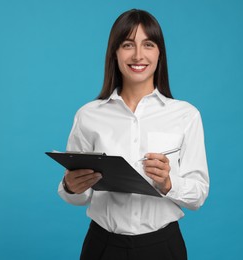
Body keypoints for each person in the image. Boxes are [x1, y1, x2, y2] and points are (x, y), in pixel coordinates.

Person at [58, 9, 209, 260]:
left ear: (159, 53)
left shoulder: (186, 115)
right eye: (128, 44)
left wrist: (169, 183)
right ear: (115, 53)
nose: (138, 55)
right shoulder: (88, 115)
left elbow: (198, 195)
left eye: (148, 44)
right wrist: (70, 186)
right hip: (103, 245)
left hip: (162, 246)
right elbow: (77, 196)